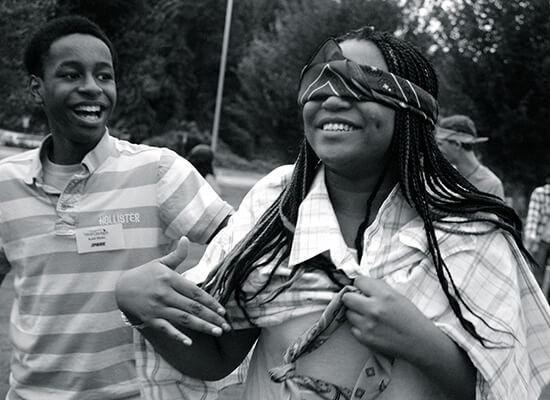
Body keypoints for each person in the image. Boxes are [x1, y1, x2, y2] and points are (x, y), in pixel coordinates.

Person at [116, 27, 550, 400]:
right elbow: (215, 355)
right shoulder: (276, 205)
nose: (332, 100)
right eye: (318, 86)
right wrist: (140, 306)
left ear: (411, 110)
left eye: (359, 85)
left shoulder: (466, 230)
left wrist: (422, 343)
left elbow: (506, 384)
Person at [0, 15, 233, 399]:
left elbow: (243, 245)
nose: (92, 88)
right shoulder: (7, 183)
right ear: (36, 88)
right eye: (72, 75)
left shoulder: (157, 170)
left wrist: (188, 293)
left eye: (104, 76)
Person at [435, 114, 505, 199]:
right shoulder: (442, 179)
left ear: (457, 144)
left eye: (440, 144)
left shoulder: (491, 184)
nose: (437, 150)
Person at [524, 177, 550, 299]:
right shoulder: (540, 193)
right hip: (542, 241)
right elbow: (532, 218)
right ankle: (536, 301)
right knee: (537, 274)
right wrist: (530, 237)